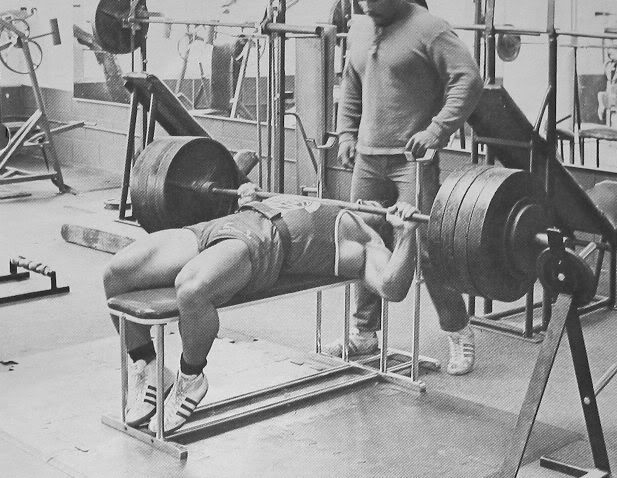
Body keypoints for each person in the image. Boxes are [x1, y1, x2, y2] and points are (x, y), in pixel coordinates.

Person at [103, 182, 422, 434]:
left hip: (262, 244)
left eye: (381, 207)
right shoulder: (321, 202)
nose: (370, 202)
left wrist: (405, 233)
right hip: (224, 225)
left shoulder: (365, 241)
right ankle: (149, 366)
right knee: (116, 274)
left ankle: (190, 377)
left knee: (192, 288)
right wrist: (249, 191)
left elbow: (392, 288)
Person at [327, 0, 484, 375]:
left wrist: (436, 130)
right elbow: (352, 82)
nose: (367, 7)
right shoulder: (361, 27)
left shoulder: (431, 28)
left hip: (412, 162)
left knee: (426, 247)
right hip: (367, 159)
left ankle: (458, 329)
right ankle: (364, 334)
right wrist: (346, 133)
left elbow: (468, 79)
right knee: (363, 241)